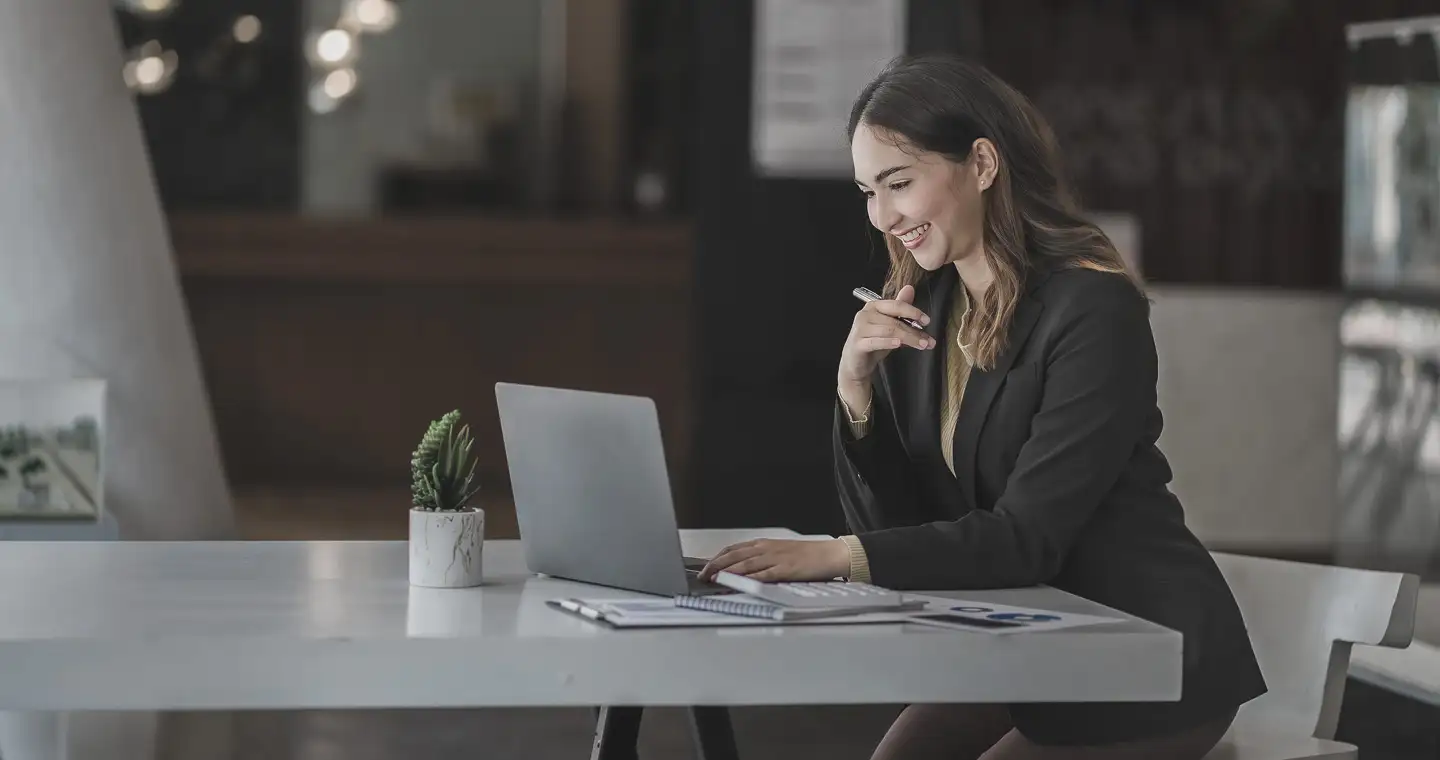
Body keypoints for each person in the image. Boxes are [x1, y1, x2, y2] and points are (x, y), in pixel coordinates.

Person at [698, 54, 1267, 758]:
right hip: (1026, 641)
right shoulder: (926, 306)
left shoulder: (1092, 309)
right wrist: (855, 392)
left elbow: (1024, 537)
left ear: (983, 163)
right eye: (868, 192)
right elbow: (901, 534)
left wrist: (833, 557)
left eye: (899, 184)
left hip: (1143, 658)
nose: (883, 216)